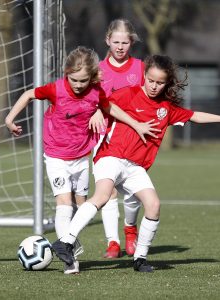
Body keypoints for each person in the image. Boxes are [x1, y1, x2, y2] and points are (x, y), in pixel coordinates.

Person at [52, 54, 220, 273]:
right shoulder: (128, 94)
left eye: (159, 83)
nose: (154, 86)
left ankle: (140, 259)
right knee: (102, 196)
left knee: (153, 205)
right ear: (144, 76)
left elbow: (194, 115)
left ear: (166, 83)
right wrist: (96, 112)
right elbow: (103, 103)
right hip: (111, 156)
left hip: (135, 167)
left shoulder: (166, 108)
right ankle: (65, 242)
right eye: (151, 80)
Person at [5, 46, 159, 275]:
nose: (78, 85)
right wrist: (9, 119)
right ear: (66, 73)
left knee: (81, 206)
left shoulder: (96, 91)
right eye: (73, 79)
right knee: (64, 204)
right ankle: (69, 258)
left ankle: (69, 243)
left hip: (81, 157)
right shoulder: (55, 89)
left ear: (93, 77)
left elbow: (109, 107)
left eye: (83, 80)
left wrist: (134, 124)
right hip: (56, 156)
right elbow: (29, 95)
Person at [96, 19, 145, 258]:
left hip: (133, 136)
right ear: (107, 40)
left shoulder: (141, 69)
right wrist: (95, 110)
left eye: (125, 42)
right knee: (108, 191)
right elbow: (90, 99)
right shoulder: (97, 70)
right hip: (102, 136)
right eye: (116, 41)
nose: (120, 46)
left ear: (131, 42)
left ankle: (130, 230)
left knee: (133, 190)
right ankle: (113, 243)